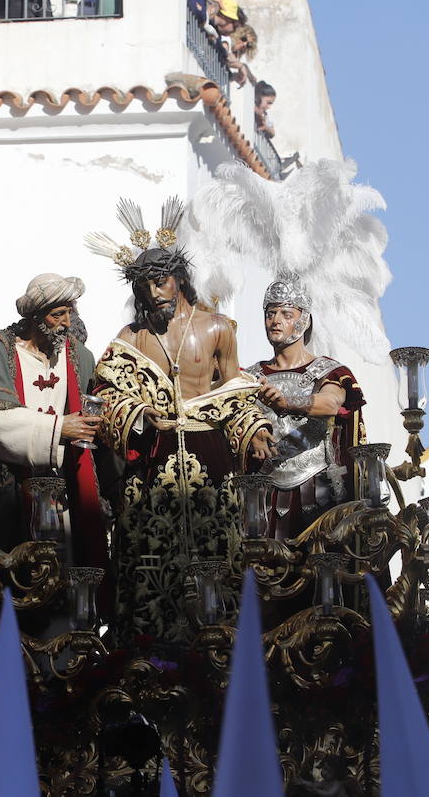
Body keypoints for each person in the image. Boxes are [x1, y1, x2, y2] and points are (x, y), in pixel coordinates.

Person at [87, 198, 274, 644]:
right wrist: (138, 413)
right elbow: (105, 397)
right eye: (145, 285)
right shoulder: (130, 339)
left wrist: (257, 429)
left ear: (179, 279)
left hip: (210, 457)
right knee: (152, 562)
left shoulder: (216, 327)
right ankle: (148, 654)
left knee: (219, 559)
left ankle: (226, 645)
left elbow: (236, 389)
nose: (155, 292)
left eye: (162, 281)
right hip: (154, 460)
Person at [0, 273, 108, 575]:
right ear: (36, 317)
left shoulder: (79, 355)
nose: (66, 321)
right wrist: (59, 428)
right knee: (10, 578)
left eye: (70, 312)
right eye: (57, 314)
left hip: (65, 492)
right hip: (11, 492)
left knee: (66, 575)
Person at [245, 276, 365, 540]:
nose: (275, 320)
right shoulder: (249, 378)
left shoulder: (329, 371)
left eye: (286, 314)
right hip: (261, 497)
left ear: (304, 320)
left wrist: (287, 403)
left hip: (315, 492)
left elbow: (332, 402)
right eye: (270, 313)